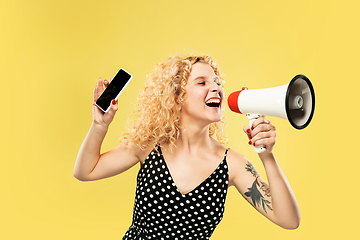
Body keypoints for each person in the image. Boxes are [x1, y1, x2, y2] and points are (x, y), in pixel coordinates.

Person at [74, 55, 300, 239]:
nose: (216, 89)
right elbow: (86, 171)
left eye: (217, 83)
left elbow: (288, 219)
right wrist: (99, 126)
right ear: (177, 97)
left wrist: (267, 156)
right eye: (202, 82)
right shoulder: (149, 145)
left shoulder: (232, 165)